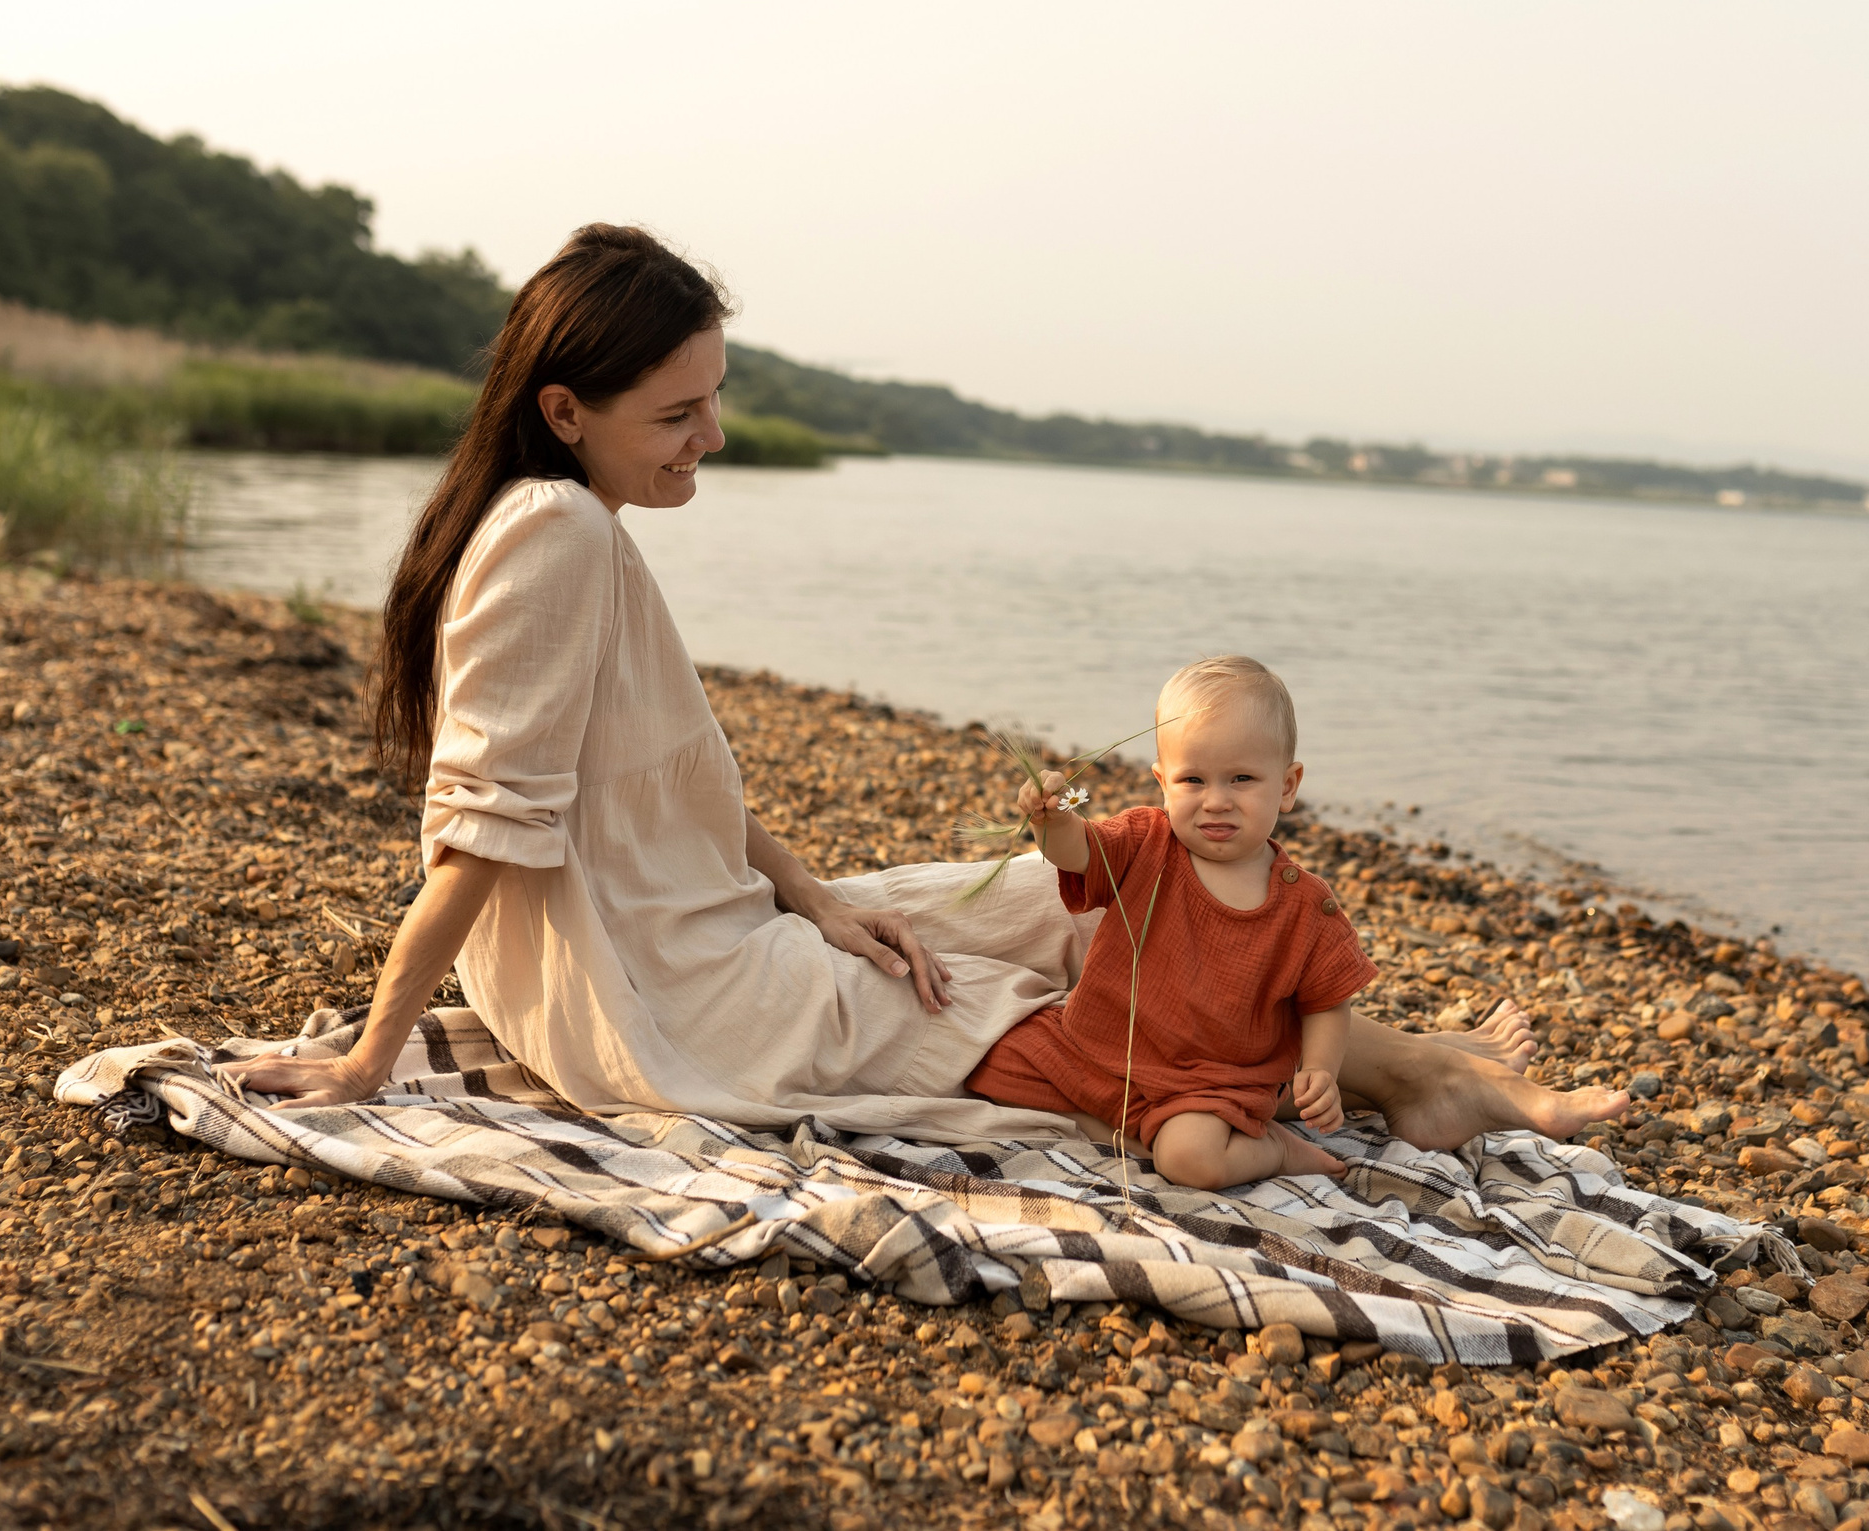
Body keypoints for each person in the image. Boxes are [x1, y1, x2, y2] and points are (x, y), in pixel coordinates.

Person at [219, 222, 1630, 1155]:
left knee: (1047, 895)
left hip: (716, 926)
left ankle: (1418, 1061)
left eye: (716, 395)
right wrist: (368, 1054)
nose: (712, 435)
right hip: (671, 992)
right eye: (677, 412)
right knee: (1032, 986)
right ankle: (1426, 1079)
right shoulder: (558, 539)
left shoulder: (572, 521)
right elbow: (486, 828)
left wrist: (822, 897)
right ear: (565, 409)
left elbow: (657, 788)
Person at [966, 656, 1376, 1187]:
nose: (1217, 801)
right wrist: (1054, 818)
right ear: (1163, 782)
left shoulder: (1304, 905)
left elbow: (1327, 1000)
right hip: (1100, 1050)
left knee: (1189, 1160)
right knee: (988, 1068)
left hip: (1210, 1082)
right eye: (1194, 780)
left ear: (1288, 786)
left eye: (1243, 778)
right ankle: (1132, 1127)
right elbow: (1077, 853)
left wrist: (1320, 1069)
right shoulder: (1145, 842)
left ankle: (1273, 1147)